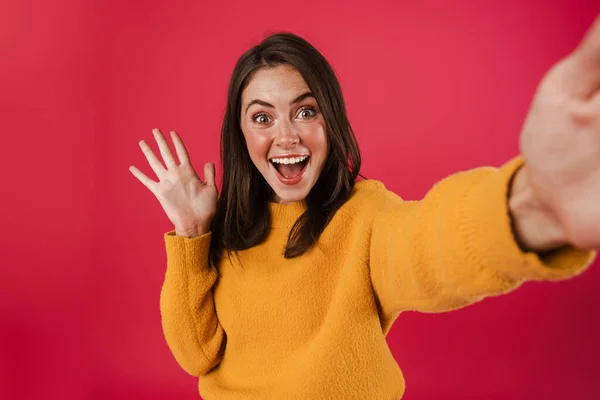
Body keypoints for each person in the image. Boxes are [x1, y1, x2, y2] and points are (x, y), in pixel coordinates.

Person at [129, 16, 600, 399]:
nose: (286, 135)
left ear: (331, 121)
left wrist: (533, 205)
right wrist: (192, 233)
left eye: (306, 111)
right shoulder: (229, 230)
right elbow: (196, 355)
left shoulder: (364, 215)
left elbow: (425, 249)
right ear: (242, 134)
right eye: (262, 117)